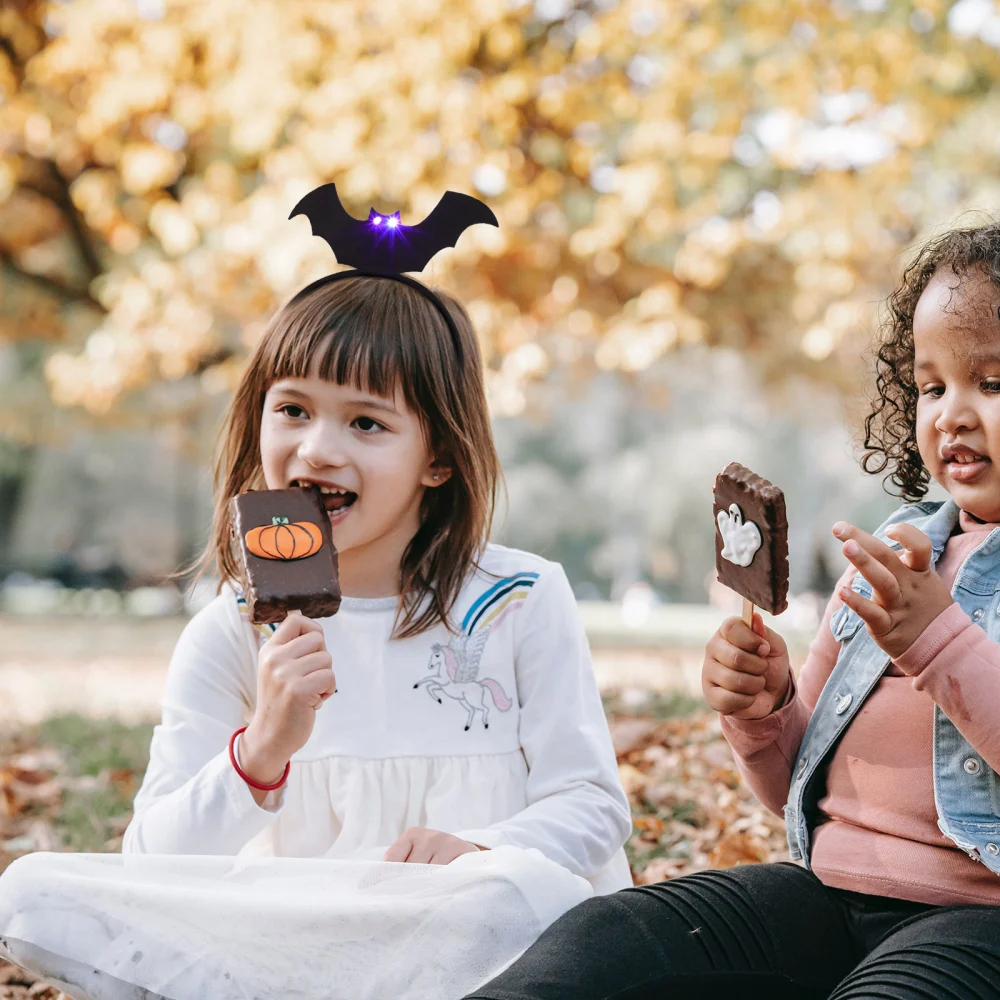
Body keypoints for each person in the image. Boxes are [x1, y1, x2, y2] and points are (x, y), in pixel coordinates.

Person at [0, 265, 631, 999]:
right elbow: (152, 863)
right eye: (294, 410)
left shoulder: (518, 602)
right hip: (296, 932)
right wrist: (261, 750)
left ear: (441, 458)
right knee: (33, 891)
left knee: (515, 893)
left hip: (472, 923)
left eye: (366, 422)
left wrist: (479, 851)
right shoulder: (231, 634)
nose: (319, 448)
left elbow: (590, 804)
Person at [464, 223, 1000, 1000]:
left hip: (978, 921)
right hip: (824, 895)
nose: (951, 412)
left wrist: (939, 640)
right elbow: (794, 783)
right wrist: (766, 710)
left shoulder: (917, 593)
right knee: (607, 939)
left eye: (993, 382)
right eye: (931, 385)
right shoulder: (899, 547)